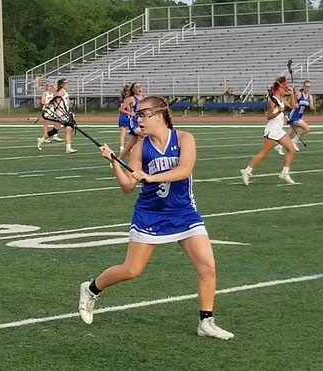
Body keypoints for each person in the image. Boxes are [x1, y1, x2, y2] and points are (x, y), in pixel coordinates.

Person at [77, 96, 234, 340]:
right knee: (131, 270)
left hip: (184, 212)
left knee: (207, 267)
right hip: (150, 214)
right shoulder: (140, 147)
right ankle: (91, 288)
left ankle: (206, 321)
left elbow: (185, 170)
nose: (137, 119)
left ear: (159, 115)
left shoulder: (184, 139)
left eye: (142, 114)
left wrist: (151, 177)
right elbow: (128, 187)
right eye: (137, 115)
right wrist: (114, 163)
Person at [240, 76, 297, 186]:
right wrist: (278, 112)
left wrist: (292, 95)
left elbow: (293, 106)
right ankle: (246, 171)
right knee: (264, 153)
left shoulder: (282, 99)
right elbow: (268, 116)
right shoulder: (272, 101)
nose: (285, 90)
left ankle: (285, 172)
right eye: (284, 88)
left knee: (291, 150)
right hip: (272, 129)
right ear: (278, 88)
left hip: (279, 130)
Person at [275, 80, 314, 155]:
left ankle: (279, 146)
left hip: (299, 116)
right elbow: (290, 102)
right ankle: (294, 141)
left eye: (309, 87)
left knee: (288, 134)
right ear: (303, 86)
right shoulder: (299, 94)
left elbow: (312, 108)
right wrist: (295, 103)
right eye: (306, 86)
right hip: (294, 116)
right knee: (306, 128)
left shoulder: (310, 96)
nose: (307, 88)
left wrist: (309, 104)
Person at [117, 82, 145, 160]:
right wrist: (130, 113)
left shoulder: (144, 98)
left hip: (142, 122)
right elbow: (121, 109)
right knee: (147, 136)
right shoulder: (131, 98)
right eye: (137, 87)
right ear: (133, 89)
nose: (139, 88)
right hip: (134, 123)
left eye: (140, 86)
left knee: (128, 148)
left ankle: (117, 161)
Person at [36, 82, 63, 150]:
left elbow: (57, 94)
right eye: (49, 86)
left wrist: (54, 87)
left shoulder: (52, 94)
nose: (51, 88)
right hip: (46, 109)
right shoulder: (45, 93)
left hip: (52, 109)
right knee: (46, 123)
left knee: (57, 122)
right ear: (47, 87)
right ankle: (44, 136)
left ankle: (55, 135)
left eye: (51, 86)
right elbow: (42, 101)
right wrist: (48, 103)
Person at [55, 79, 77, 154]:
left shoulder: (64, 91)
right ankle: (68, 147)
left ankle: (68, 147)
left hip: (64, 112)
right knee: (69, 128)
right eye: (65, 83)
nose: (67, 84)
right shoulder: (61, 91)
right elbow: (56, 101)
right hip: (62, 113)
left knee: (68, 128)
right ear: (61, 85)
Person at [117, 84, 131, 153]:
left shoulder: (122, 99)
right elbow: (128, 109)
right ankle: (130, 147)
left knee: (122, 134)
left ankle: (121, 148)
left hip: (122, 116)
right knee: (132, 133)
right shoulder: (128, 99)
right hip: (127, 116)